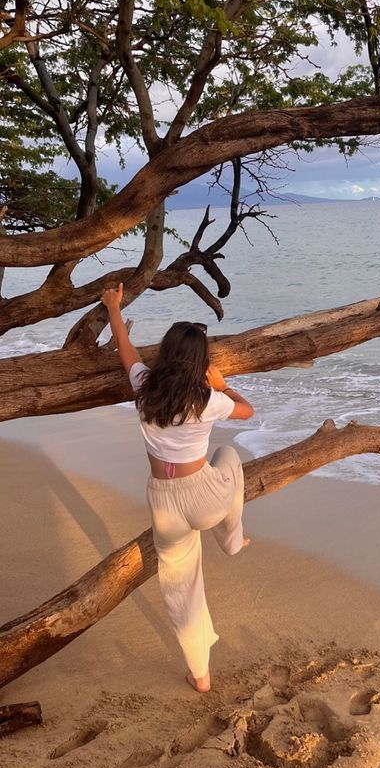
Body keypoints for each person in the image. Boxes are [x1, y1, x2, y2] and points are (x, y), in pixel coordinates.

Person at [101, 282, 254, 693]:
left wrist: (113, 308)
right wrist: (221, 384)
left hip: (165, 502)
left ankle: (201, 676)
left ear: (166, 354)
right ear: (201, 363)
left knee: (182, 591)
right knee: (229, 457)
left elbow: (125, 350)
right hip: (207, 496)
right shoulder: (208, 399)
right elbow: (247, 411)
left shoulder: (145, 387)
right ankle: (233, 538)